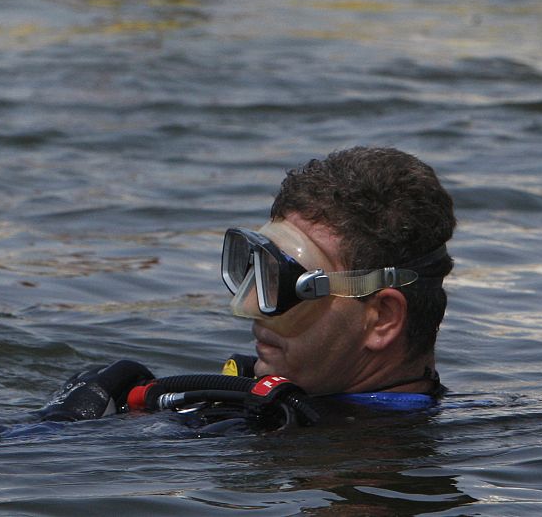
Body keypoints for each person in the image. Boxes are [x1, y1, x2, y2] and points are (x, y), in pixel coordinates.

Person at [33, 146, 456, 430]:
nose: (250, 305)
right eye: (256, 271)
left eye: (287, 285)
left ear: (381, 318)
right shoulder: (279, 412)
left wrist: (54, 433)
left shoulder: (303, 440)